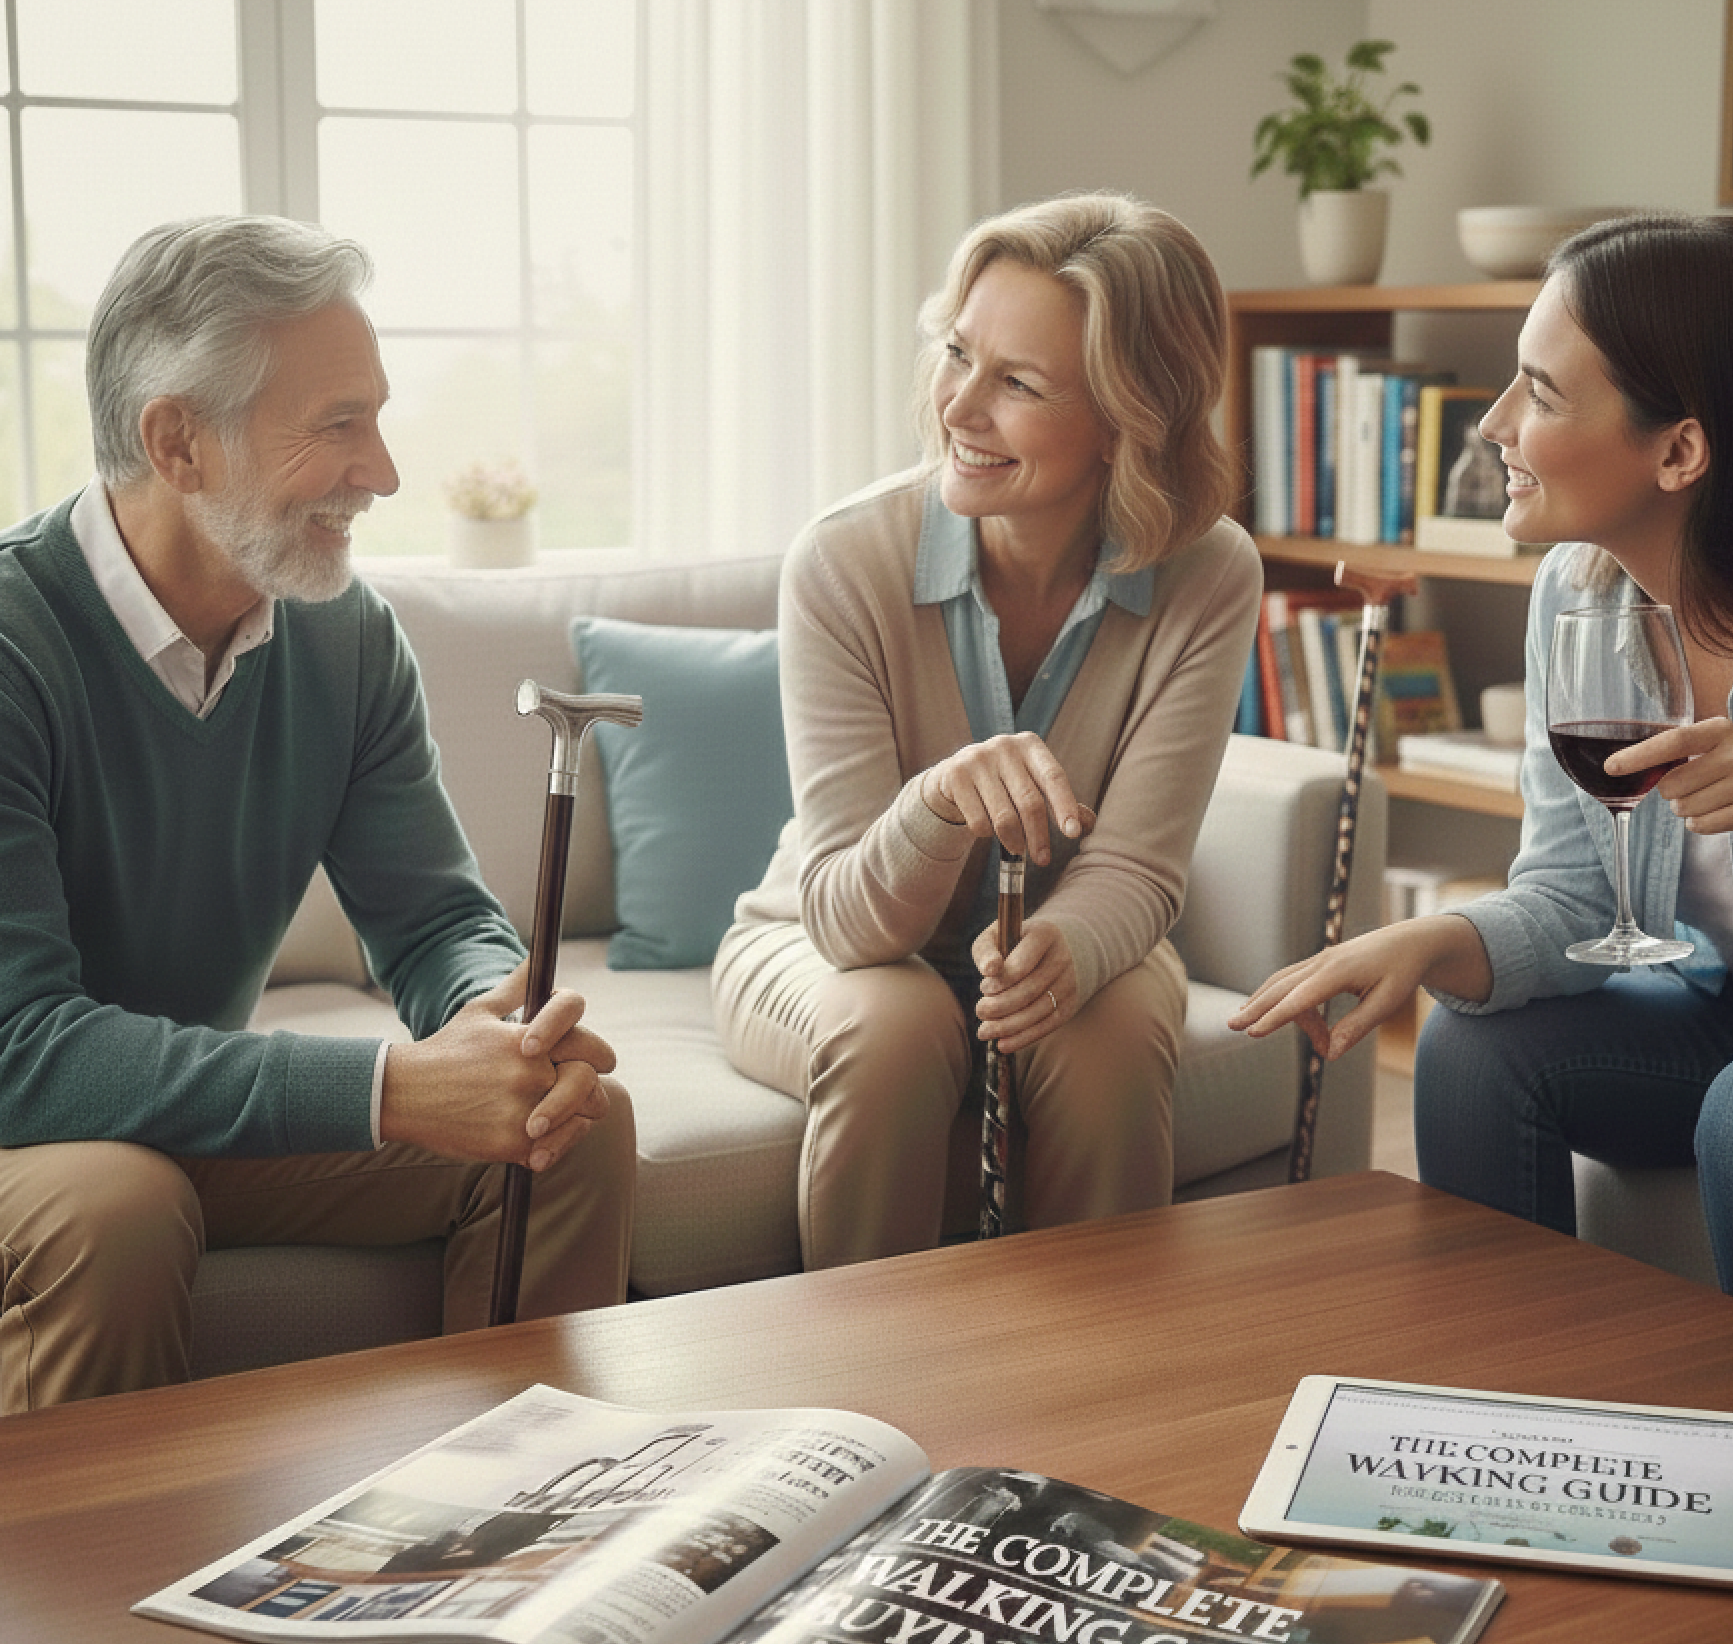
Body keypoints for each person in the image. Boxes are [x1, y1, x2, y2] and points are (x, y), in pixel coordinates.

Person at [0, 215, 636, 1412]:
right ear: (177, 442)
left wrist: (495, 1016)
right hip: (28, 1125)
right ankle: (75, 1592)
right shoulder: (12, 648)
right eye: (339, 425)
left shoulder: (342, 638)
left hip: (169, 1110)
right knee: (116, 1207)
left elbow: (437, 918)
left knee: (571, 1129)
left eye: (378, 417)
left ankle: (514, 1536)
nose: (384, 472)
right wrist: (390, 1090)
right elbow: (19, 1051)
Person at [1228, 212, 1733, 1319]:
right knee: (1470, 1045)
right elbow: (1578, 897)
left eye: (1540, 393)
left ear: (1679, 450)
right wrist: (1434, 937)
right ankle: (1517, 1418)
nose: (1495, 425)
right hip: (1725, 1009)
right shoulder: (1580, 596)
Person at [712, 191, 1260, 1267]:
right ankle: (862, 1401)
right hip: (821, 937)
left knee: (1109, 1038)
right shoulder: (843, 561)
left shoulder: (1210, 573)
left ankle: (1100, 1400)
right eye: (956, 353)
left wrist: (1070, 947)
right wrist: (936, 803)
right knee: (896, 1030)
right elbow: (846, 925)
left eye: (1018, 383)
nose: (959, 406)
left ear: (1129, 420)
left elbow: (1140, 871)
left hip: (1064, 935)